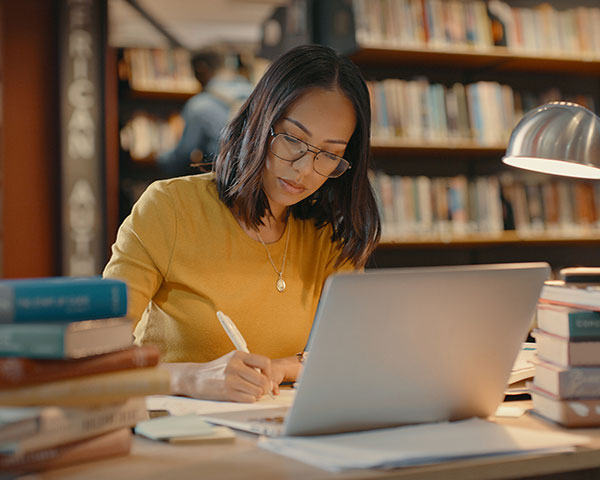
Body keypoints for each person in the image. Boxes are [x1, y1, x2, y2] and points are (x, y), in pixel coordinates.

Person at [103, 44, 381, 403]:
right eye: (294, 140)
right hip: (175, 433)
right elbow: (97, 354)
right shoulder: (170, 207)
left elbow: (347, 354)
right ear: (259, 120)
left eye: (329, 155)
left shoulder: (330, 235)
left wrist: (281, 368)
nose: (304, 169)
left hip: (275, 432)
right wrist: (191, 377)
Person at [157, 48, 253, 177]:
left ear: (201, 69)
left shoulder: (199, 105)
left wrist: (161, 160)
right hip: (256, 178)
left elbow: (183, 156)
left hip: (225, 180)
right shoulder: (256, 92)